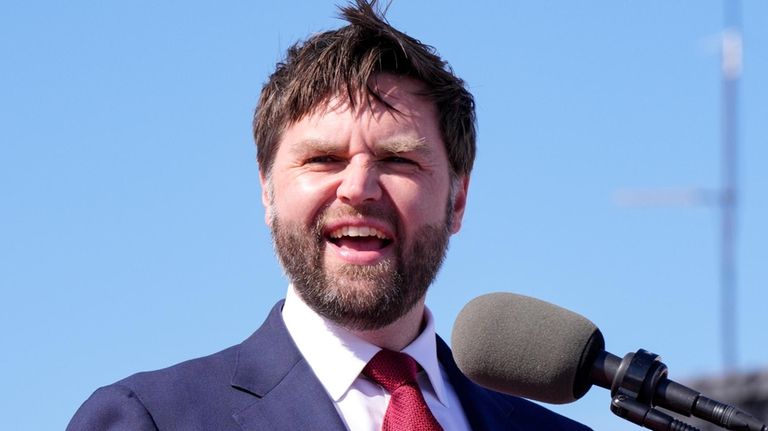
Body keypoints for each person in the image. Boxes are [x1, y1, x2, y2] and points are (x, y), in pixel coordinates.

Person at [67, 1, 591, 430]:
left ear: (457, 199)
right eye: (323, 159)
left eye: (398, 160)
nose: (358, 188)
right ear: (267, 191)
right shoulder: (152, 420)